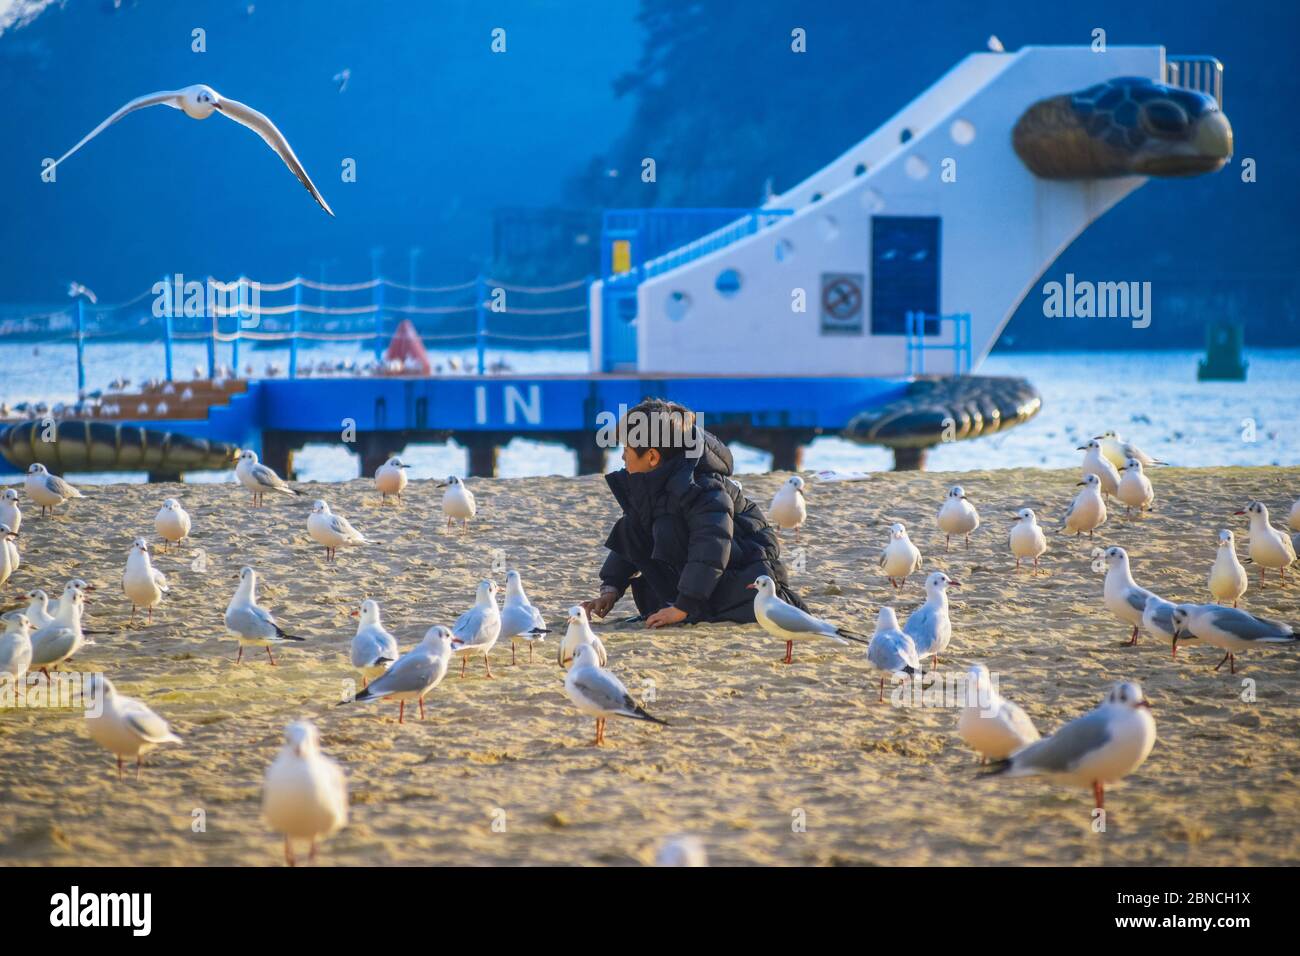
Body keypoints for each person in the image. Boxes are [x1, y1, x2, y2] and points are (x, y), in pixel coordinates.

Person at [582, 398, 805, 628]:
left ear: (652, 457)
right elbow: (633, 532)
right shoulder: (652, 484)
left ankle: (690, 606)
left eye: (626, 450)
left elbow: (711, 548)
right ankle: (680, 602)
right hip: (705, 574)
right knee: (634, 522)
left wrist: (683, 607)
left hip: (747, 568)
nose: (622, 458)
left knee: (666, 528)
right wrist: (611, 589)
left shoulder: (702, 488)